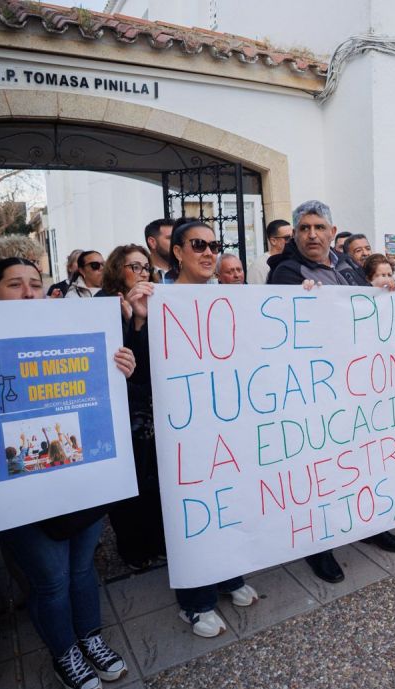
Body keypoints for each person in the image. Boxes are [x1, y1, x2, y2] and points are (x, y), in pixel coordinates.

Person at [0, 255, 136, 689]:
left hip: (81, 484)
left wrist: (120, 372)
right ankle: (65, 653)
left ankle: (90, 638)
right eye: (14, 285)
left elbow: (102, 400)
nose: (28, 293)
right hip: (20, 497)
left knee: (81, 571)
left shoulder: (71, 334)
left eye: (35, 284)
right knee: (52, 581)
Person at [126, 220, 261, 638]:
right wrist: (139, 323)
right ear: (178, 252)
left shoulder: (232, 298)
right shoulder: (157, 300)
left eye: (214, 245)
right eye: (198, 244)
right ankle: (196, 601)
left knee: (230, 501)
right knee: (194, 510)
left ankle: (229, 575)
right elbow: (137, 371)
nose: (208, 252)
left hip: (231, 423)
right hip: (183, 431)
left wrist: (310, 302)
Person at [269, 200, 395, 582]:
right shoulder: (285, 273)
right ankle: (318, 546)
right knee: (320, 469)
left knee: (364, 459)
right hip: (318, 391)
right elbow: (282, 332)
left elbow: (367, 311)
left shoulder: (348, 265)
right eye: (304, 228)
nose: (312, 234)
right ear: (295, 235)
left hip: (359, 384)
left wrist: (387, 291)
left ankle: (371, 523)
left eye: (319, 227)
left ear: (333, 231)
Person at [95, 245, 166, 571]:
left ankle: (157, 540)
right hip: (118, 410)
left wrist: (141, 319)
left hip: (148, 406)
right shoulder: (103, 303)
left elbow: (148, 359)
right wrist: (126, 318)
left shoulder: (153, 302)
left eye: (145, 267)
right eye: (133, 266)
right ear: (116, 270)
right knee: (128, 485)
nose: (141, 272)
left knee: (153, 479)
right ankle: (133, 548)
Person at [247, 219, 291, 285]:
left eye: (294, 236)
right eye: (287, 238)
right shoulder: (259, 266)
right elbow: (255, 293)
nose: (293, 240)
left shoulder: (295, 260)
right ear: (273, 241)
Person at [143, 218, 174, 283]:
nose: (176, 242)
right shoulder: (141, 273)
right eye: (170, 238)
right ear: (152, 242)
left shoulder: (187, 272)